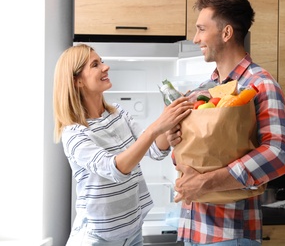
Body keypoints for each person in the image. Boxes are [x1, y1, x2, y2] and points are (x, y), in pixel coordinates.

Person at [166, 0, 285, 245]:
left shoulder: (261, 84)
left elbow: (278, 154)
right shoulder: (204, 89)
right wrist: (176, 140)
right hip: (193, 230)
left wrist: (206, 182)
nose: (195, 38)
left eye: (202, 29)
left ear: (226, 33)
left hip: (230, 234)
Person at [53, 43, 193, 245]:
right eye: (95, 65)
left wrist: (169, 112)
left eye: (102, 61)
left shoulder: (117, 114)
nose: (105, 67)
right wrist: (157, 126)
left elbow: (155, 149)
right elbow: (116, 169)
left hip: (133, 232)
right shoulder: (74, 132)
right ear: (78, 82)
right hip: (97, 238)